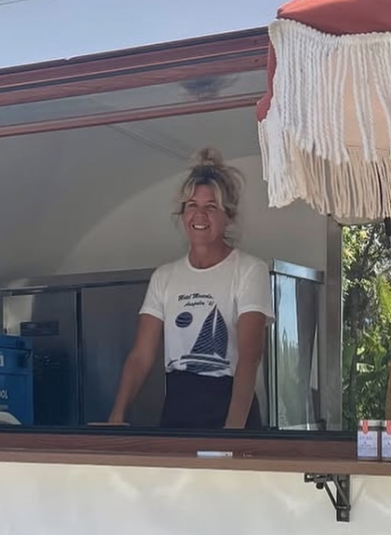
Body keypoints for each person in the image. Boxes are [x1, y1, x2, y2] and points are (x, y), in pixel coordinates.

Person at [107, 147, 273, 430]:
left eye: (211, 207)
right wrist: (117, 416)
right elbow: (141, 356)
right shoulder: (164, 277)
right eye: (192, 205)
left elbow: (250, 355)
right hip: (178, 409)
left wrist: (233, 431)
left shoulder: (249, 270)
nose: (200, 214)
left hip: (231, 409)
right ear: (183, 214)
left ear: (228, 216)